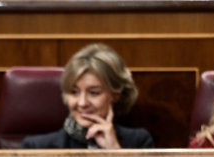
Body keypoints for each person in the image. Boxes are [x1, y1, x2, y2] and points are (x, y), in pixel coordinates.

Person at [22, 43, 154, 149]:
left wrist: (115, 151)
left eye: (94, 92)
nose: (82, 103)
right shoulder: (36, 147)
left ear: (115, 95)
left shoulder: (139, 142)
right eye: (74, 92)